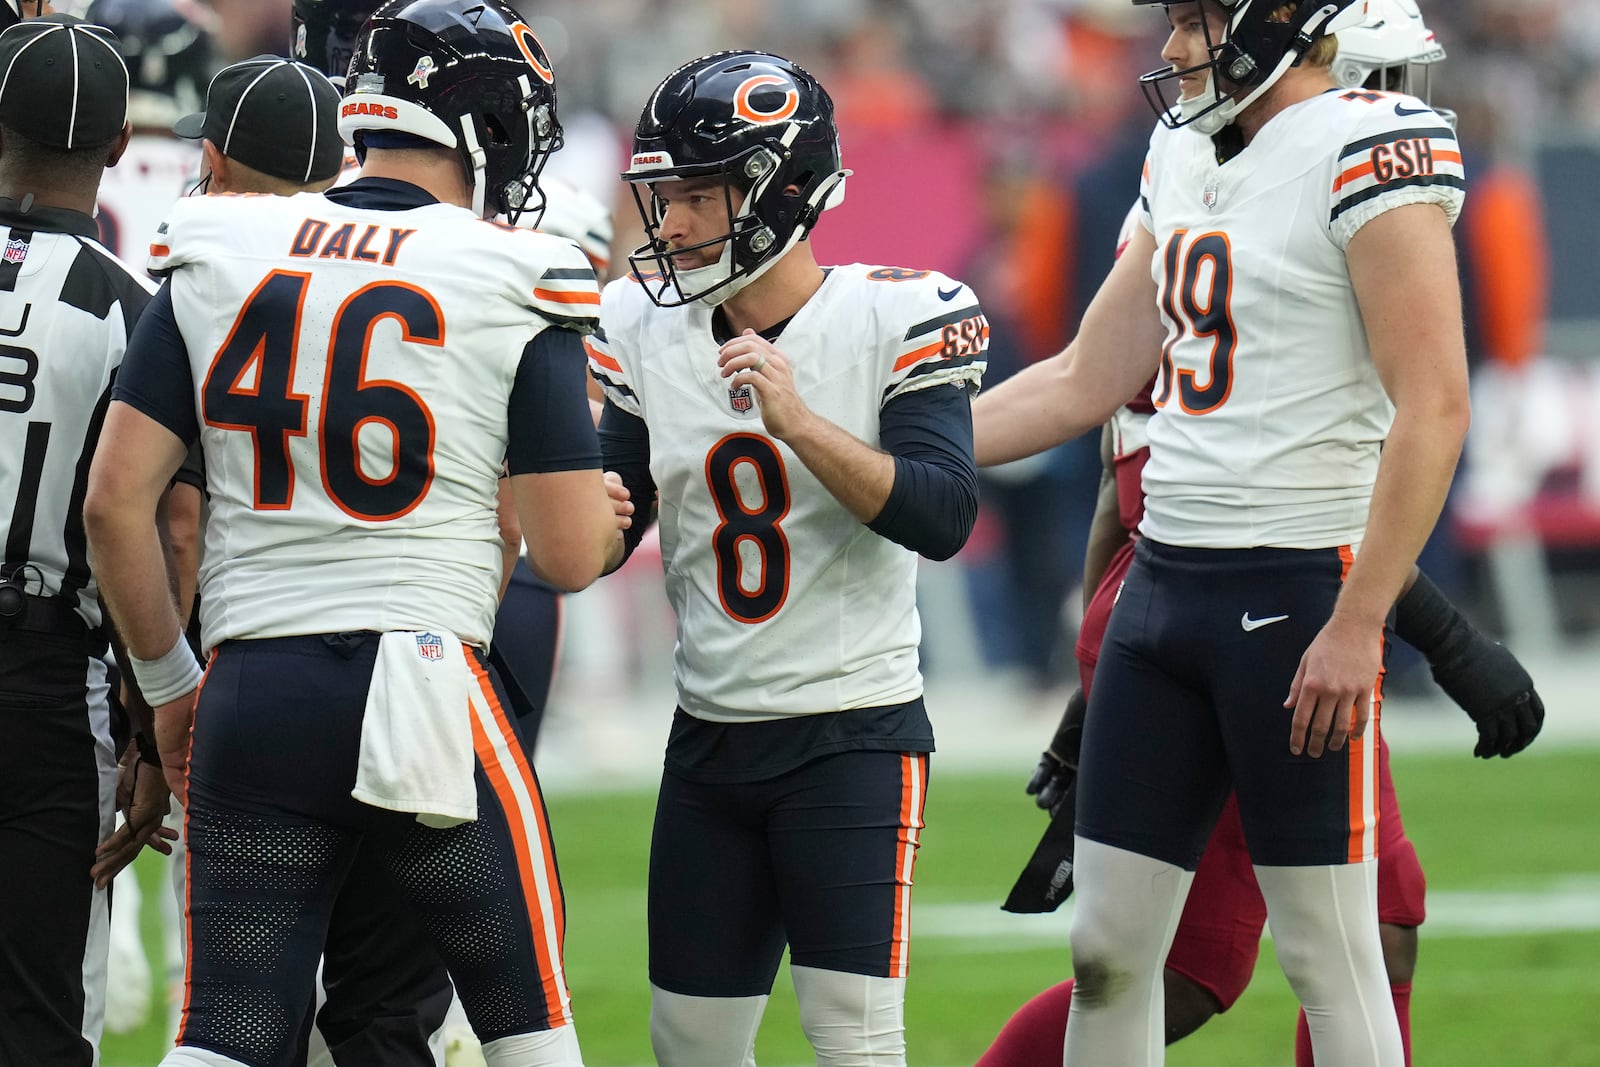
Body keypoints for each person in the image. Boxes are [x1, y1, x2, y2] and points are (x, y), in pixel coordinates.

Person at [83, 2, 621, 1065]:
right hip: (426, 688)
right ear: (481, 124)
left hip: (252, 685)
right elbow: (562, 557)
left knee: (225, 1031)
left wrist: (168, 679)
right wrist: (595, 516)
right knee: (526, 1023)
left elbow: (117, 500)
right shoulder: (517, 271)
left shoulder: (221, 233)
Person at [972, 0, 1472, 1063]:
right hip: (1163, 591)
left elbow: (1434, 406)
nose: (1170, 48)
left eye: (1197, 20)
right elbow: (1085, 378)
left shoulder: (1372, 145)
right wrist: (892, 448)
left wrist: (1358, 620)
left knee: (1333, 954)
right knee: (1108, 951)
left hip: (1290, 588)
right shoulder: (1183, 151)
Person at [590, 50, 984, 1067]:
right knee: (689, 1042)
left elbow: (941, 514)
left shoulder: (895, 313)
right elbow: (608, 525)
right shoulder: (639, 324)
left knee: (852, 1041)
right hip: (710, 733)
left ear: (778, 192)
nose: (666, 221)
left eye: (691, 194)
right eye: (659, 194)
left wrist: (799, 419)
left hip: (848, 736)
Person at [0, 13, 174, 1066]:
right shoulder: (132, 311)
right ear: (119, 147)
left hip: (48, 664)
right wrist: (158, 712)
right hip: (46, 675)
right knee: (42, 1010)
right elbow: (168, 523)